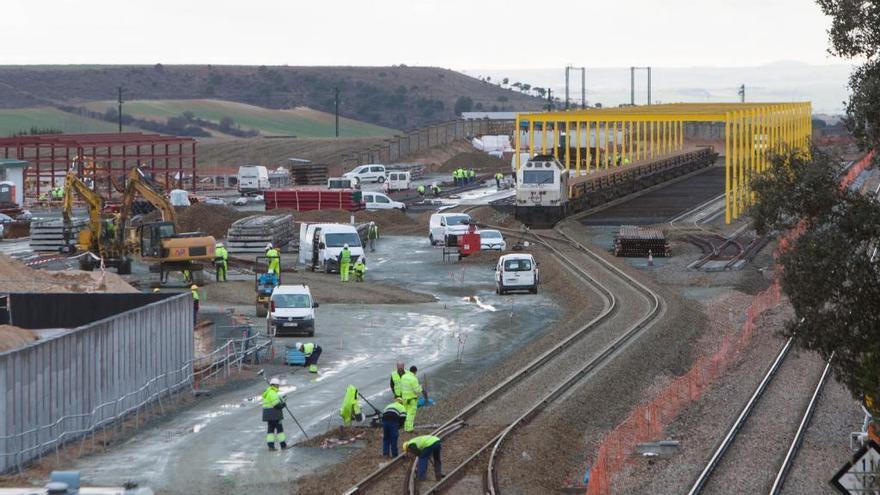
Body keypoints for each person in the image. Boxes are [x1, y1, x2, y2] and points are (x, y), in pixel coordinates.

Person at [262, 377, 288, 450]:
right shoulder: (272, 393)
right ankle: (283, 445)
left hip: (268, 415)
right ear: (275, 385)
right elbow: (277, 405)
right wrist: (284, 404)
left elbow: (272, 402)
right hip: (275, 414)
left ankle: (270, 446)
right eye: (278, 385)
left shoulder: (268, 392)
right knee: (280, 430)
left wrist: (281, 400)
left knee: (270, 430)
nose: (278, 386)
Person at [400, 365, 428, 432]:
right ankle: (409, 429)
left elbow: (402, 387)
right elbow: (417, 390)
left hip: (404, 398)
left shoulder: (403, 376)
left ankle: (406, 427)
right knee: (411, 414)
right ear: (415, 371)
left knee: (406, 413)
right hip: (411, 399)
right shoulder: (413, 378)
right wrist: (421, 388)